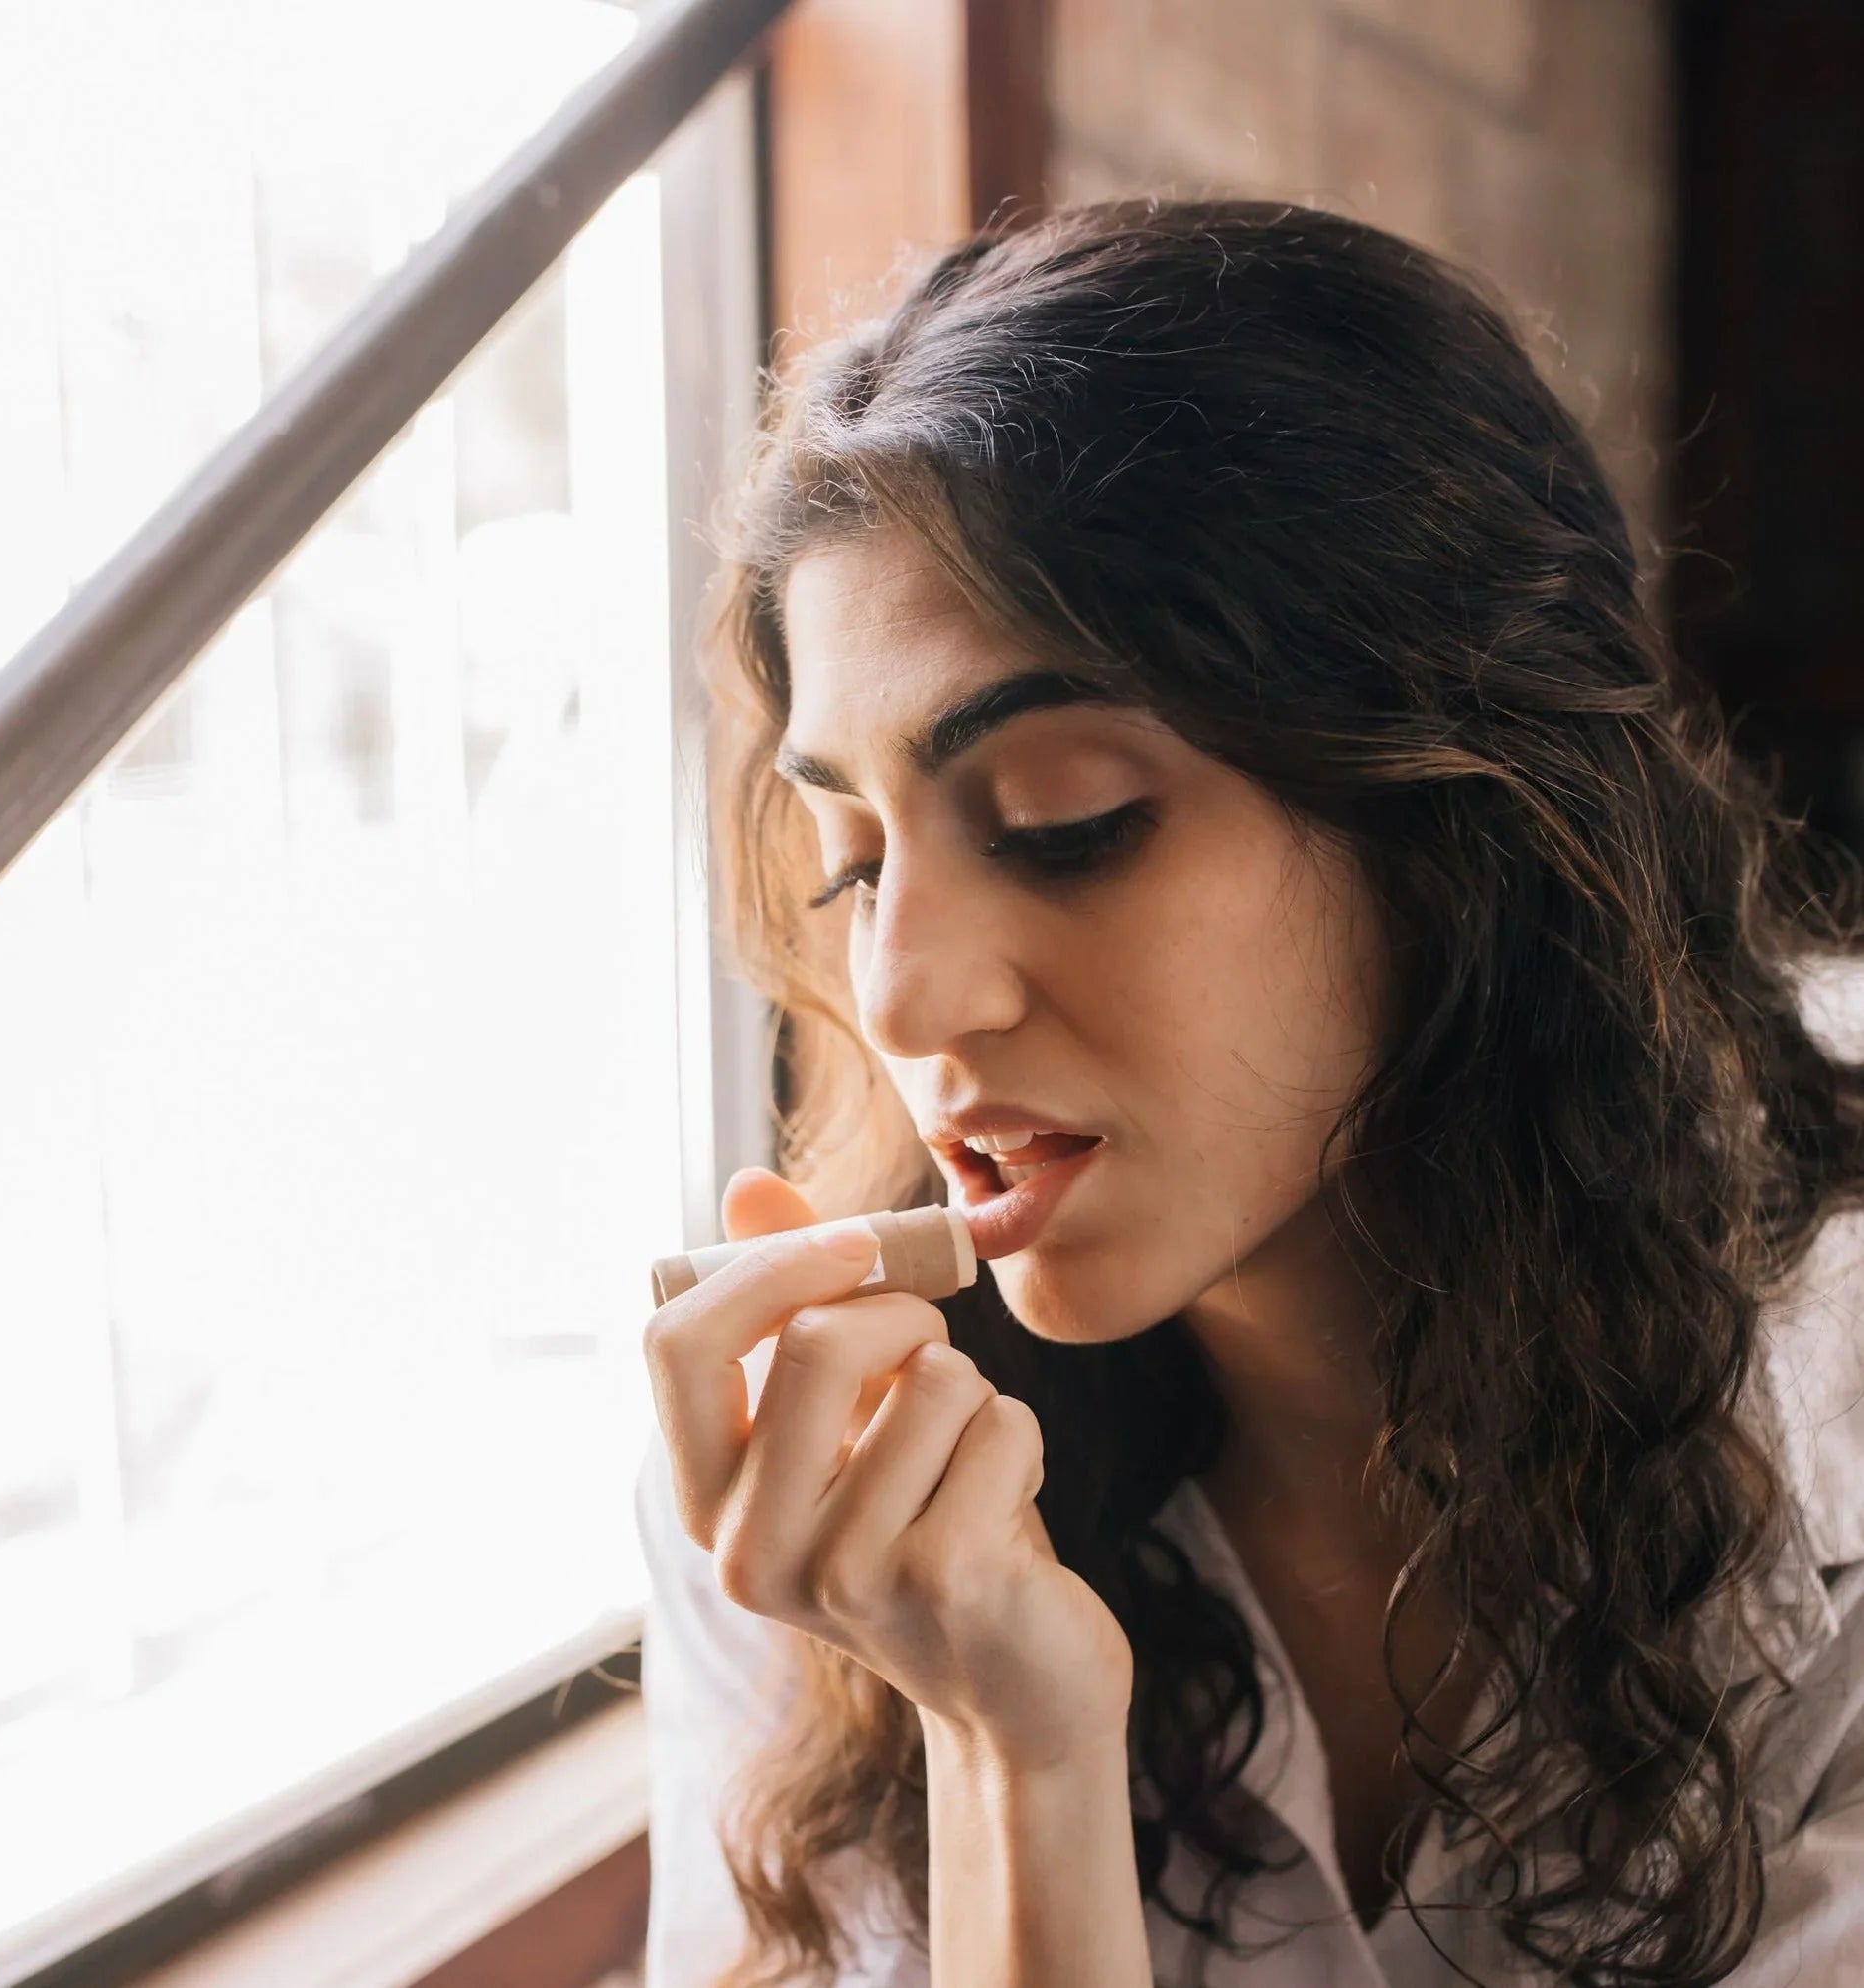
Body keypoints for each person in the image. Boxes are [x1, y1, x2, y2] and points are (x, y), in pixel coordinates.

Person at [634, 198, 1864, 1986]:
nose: (903, 991)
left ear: (1461, 819)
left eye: (1069, 824)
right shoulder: (826, 1470)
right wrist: (1006, 1754)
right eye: (852, 860)